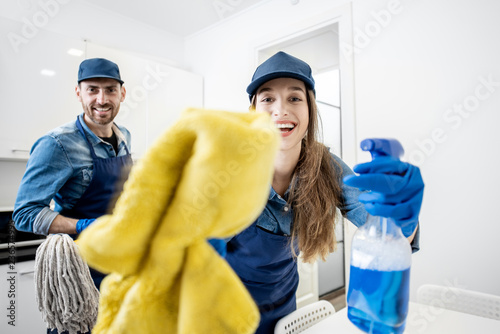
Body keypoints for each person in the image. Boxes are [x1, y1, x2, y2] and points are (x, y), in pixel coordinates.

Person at [221, 51, 424, 334]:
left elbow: (390, 237)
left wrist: (401, 216)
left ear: (310, 110)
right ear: (253, 111)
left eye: (295, 98)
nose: (280, 110)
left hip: (284, 317)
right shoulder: (228, 172)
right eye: (267, 98)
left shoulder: (327, 167)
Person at [13, 58, 132, 294]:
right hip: (77, 269)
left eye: (110, 90)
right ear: (79, 93)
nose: (102, 99)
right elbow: (24, 214)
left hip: (119, 258)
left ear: (122, 93)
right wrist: (84, 225)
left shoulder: (125, 135)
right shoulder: (57, 144)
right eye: (92, 90)